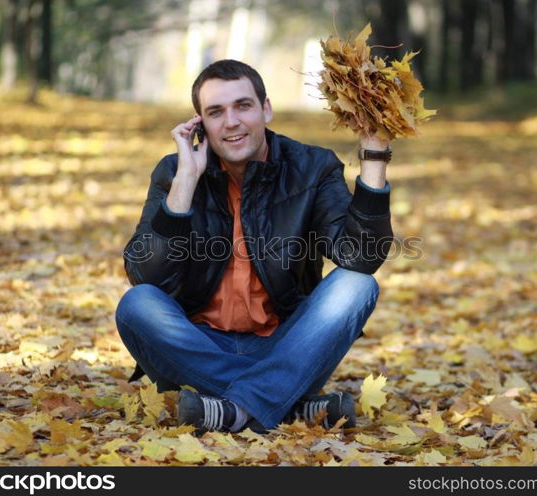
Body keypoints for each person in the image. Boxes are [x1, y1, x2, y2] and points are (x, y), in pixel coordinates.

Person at [115, 59, 394, 433]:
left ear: (266, 109)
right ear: (200, 124)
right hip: (197, 348)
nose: (231, 122)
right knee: (137, 305)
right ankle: (288, 405)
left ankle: (231, 409)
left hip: (286, 345)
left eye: (243, 106)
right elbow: (145, 275)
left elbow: (359, 257)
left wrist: (374, 153)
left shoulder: (312, 167)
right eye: (216, 112)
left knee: (357, 284)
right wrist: (186, 183)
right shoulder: (175, 172)